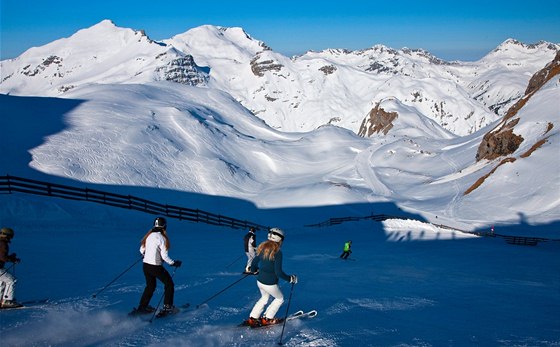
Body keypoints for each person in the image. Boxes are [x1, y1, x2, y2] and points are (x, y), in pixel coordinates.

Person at [242, 227, 298, 327]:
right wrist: (290, 279)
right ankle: (267, 318)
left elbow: (254, 263)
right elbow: (278, 272)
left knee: (264, 298)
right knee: (279, 299)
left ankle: (253, 318)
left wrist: (254, 271)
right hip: (270, 283)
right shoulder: (277, 253)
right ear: (279, 239)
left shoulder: (262, 248)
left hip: (260, 281)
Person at [133, 217, 182, 316]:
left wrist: (147, 253)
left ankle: (142, 307)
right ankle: (167, 307)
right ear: (165, 226)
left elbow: (142, 250)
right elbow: (164, 256)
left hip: (146, 265)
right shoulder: (162, 238)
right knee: (169, 284)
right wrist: (173, 263)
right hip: (155, 266)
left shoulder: (149, 235)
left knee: (150, 286)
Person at [0, 227, 22, 308]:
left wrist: (11, 257)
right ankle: (7, 301)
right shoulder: (3, 243)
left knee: (2, 282)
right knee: (11, 280)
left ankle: (1, 300)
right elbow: (3, 257)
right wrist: (13, 259)